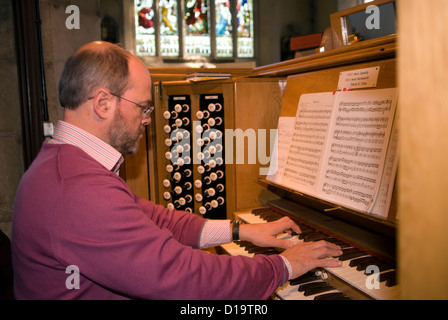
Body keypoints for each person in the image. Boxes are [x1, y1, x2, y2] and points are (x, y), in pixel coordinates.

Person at [11, 41, 342, 300]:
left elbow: (157, 219)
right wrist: (283, 266)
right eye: (143, 107)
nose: (147, 118)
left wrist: (240, 231)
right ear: (103, 103)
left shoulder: (68, 164)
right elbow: (182, 277)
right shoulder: (77, 188)